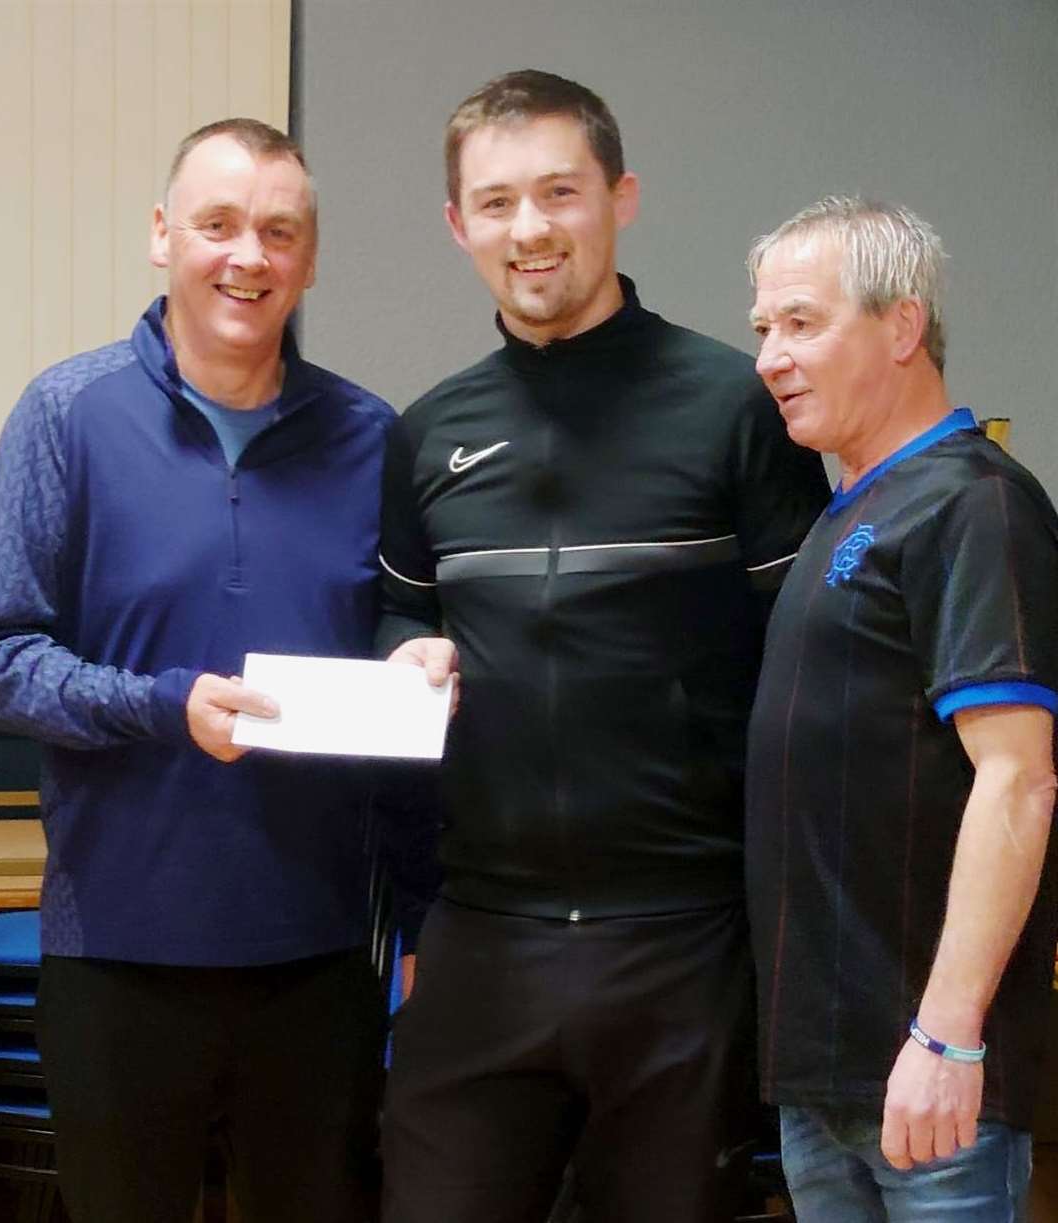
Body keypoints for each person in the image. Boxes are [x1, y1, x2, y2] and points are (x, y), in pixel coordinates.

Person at [376, 69, 830, 1223]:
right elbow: (402, 614)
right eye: (495, 202)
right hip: (485, 935)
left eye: (559, 192)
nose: (529, 230)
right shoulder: (428, 433)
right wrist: (406, 651)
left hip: (682, 942)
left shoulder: (738, 406)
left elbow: (812, 661)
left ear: (621, 197)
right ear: (456, 223)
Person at [0, 118, 432, 1223]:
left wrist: (412, 663)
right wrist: (162, 705)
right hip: (117, 957)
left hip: (319, 959)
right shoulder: (65, 414)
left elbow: (395, 665)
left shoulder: (374, 438)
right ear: (161, 235)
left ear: (311, 258)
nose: (249, 256)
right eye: (218, 224)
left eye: (280, 232)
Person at [745, 195, 1058, 1222]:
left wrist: (948, 1035)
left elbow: (1019, 777)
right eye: (762, 331)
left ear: (902, 325)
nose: (770, 357)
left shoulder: (973, 501)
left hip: (932, 1081)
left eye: (800, 322)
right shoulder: (850, 507)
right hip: (827, 1081)